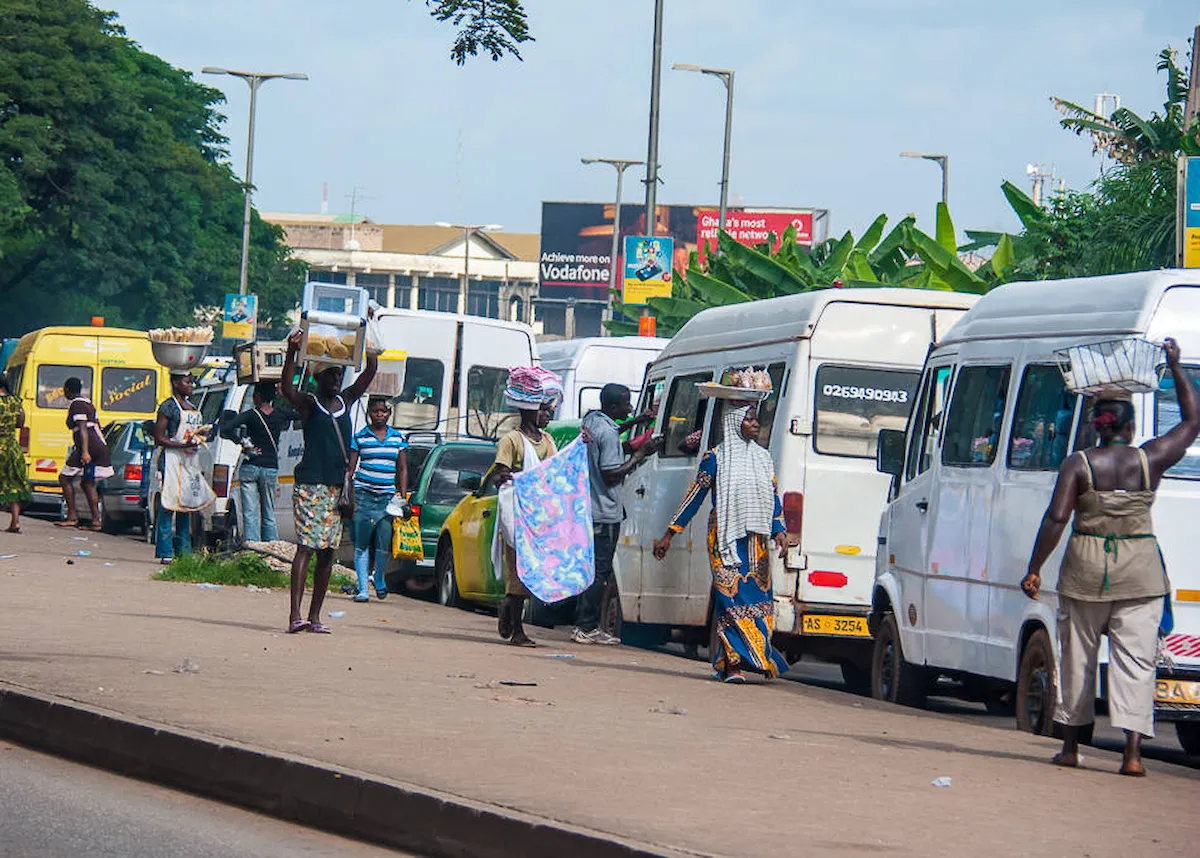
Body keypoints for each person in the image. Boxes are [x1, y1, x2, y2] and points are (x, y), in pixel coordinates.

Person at [1021, 337, 1200, 776]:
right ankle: (1133, 755)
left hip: (1085, 571)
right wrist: (1175, 368)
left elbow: (1056, 518)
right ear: (1131, 426)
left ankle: (1070, 749)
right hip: (1140, 574)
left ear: (1097, 425)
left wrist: (1035, 569)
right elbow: (1194, 420)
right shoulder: (1150, 459)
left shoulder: (1078, 465)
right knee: (1136, 664)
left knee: (1077, 657)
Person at [653, 401, 790, 683]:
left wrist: (779, 530)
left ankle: (758, 657)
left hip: (757, 543)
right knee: (729, 601)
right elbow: (694, 497)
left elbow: (773, 497)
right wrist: (670, 533)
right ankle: (732, 665)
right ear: (735, 423)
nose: (756, 424)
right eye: (750, 420)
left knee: (760, 602)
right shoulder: (715, 457)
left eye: (757, 420)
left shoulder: (764, 458)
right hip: (725, 540)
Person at [280, 330, 378, 634]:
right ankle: (296, 615)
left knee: (327, 552)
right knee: (306, 548)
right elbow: (286, 389)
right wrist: (290, 354)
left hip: (337, 487)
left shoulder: (346, 400)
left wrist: (370, 347)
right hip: (311, 485)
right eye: (330, 374)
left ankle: (316, 617)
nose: (336, 379)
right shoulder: (310, 403)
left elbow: (369, 372)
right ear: (318, 378)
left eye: (339, 373)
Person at [573, 383, 661, 645]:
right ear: (613, 407)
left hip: (588, 509)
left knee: (590, 570)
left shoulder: (592, 421)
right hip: (604, 510)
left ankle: (584, 624)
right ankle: (587, 627)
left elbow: (609, 435)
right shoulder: (608, 433)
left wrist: (637, 421)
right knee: (599, 572)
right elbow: (611, 474)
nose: (630, 407)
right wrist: (641, 454)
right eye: (626, 404)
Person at [487, 366, 561, 647]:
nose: (548, 415)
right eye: (543, 410)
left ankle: (509, 607)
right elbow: (498, 475)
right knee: (518, 572)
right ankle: (516, 629)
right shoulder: (512, 441)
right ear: (529, 409)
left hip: (538, 518)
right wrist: (514, 478)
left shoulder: (549, 442)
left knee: (531, 573)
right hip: (517, 518)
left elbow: (554, 474)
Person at [220, 381, 299, 543]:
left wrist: (241, 442)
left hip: (250, 466)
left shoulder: (250, 415)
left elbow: (226, 429)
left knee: (250, 513)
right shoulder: (281, 414)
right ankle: (271, 547)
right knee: (268, 512)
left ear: (257, 396)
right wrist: (288, 395)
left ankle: (253, 548)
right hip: (270, 468)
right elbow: (301, 412)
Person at [348, 396, 408, 602]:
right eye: (375, 411)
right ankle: (363, 588)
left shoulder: (397, 438)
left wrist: (402, 495)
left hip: (387, 499)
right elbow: (351, 468)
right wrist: (348, 493)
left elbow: (402, 468)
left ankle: (379, 577)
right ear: (369, 414)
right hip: (363, 495)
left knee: (384, 541)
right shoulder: (360, 437)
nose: (379, 415)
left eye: (383, 411)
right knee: (361, 543)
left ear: (389, 414)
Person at [153, 370, 210, 563]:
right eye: (188, 382)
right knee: (168, 505)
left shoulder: (192, 407)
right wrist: (182, 445)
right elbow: (159, 437)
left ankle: (184, 552)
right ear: (176, 383)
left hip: (189, 462)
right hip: (171, 460)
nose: (191, 386)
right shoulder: (168, 407)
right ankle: (165, 551)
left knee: (186, 506)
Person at [57, 376, 113, 531]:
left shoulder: (77, 404)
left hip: (89, 446)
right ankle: (96, 521)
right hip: (100, 446)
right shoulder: (88, 403)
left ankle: (72, 516)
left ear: (67, 390)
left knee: (64, 478)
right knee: (87, 483)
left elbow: (83, 428)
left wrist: (85, 452)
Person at [0, 376, 29, 533]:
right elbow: (20, 423)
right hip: (11, 448)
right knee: (13, 485)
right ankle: (15, 521)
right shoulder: (15, 402)